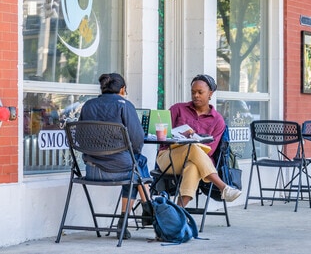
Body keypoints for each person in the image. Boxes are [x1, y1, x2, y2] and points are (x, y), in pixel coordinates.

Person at [79, 73, 152, 239]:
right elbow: (137, 138)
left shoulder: (88, 106)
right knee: (137, 163)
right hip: (120, 171)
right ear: (122, 89)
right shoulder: (124, 105)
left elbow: (80, 139)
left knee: (135, 166)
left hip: (92, 170)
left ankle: (126, 221)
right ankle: (148, 206)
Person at [157, 74, 241, 207]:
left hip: (198, 161)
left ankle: (177, 212)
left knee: (193, 166)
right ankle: (223, 187)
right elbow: (161, 137)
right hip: (169, 158)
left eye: (200, 92)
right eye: (193, 92)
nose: (196, 95)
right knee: (193, 148)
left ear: (210, 94)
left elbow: (210, 151)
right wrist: (179, 137)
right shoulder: (177, 109)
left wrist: (194, 141)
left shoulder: (217, 120)